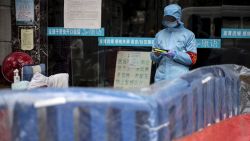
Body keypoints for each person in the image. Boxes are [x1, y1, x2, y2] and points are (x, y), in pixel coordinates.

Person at [151, 4, 197, 82]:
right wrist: (156, 54)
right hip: (161, 78)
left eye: (171, 18)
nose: (169, 20)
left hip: (179, 79)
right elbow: (153, 57)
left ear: (178, 18)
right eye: (167, 18)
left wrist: (174, 54)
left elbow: (192, 59)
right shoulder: (159, 35)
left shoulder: (189, 35)